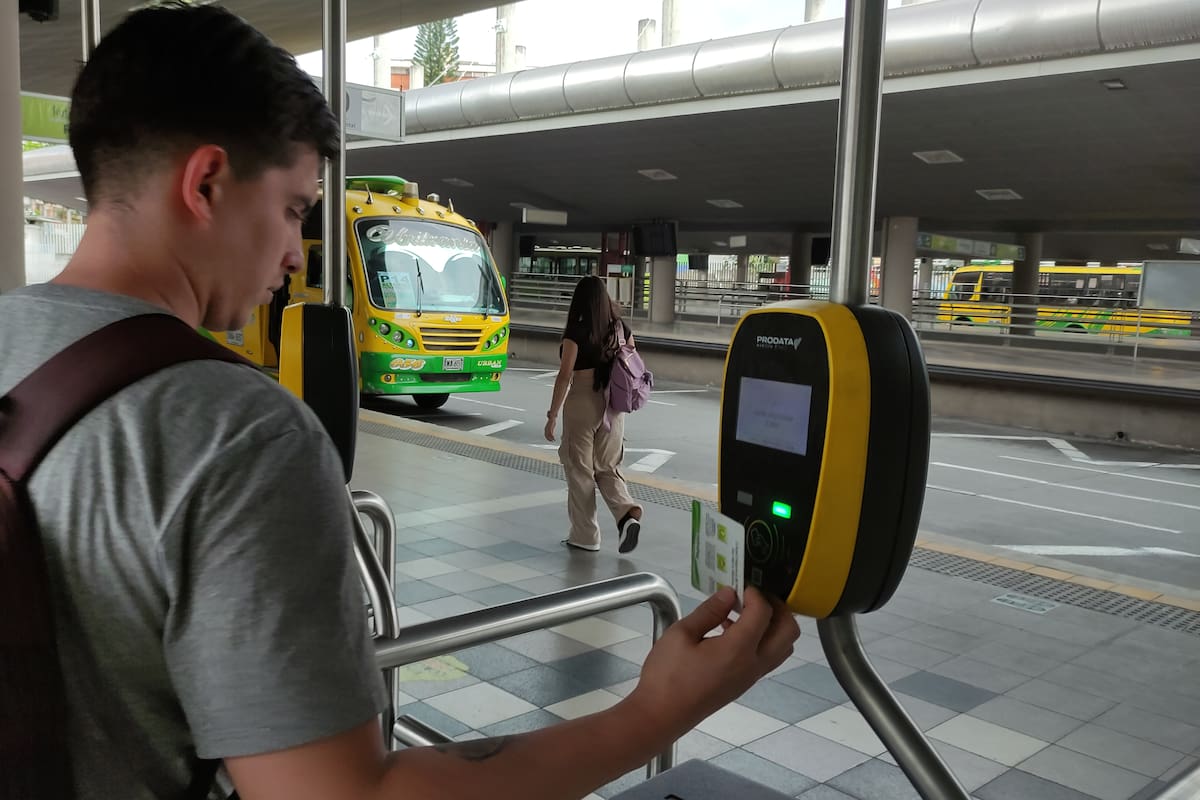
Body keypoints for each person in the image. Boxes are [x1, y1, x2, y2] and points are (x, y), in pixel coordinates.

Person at [0, 5, 800, 799]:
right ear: (206, 181)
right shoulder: (235, 435)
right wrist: (657, 710)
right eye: (293, 208)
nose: (290, 251)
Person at [544, 276, 644, 554]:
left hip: (582, 403)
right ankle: (626, 514)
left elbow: (565, 376)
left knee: (580, 471)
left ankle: (585, 536)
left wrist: (552, 415)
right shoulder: (621, 328)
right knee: (607, 467)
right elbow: (632, 363)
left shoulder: (576, 332)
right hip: (613, 406)